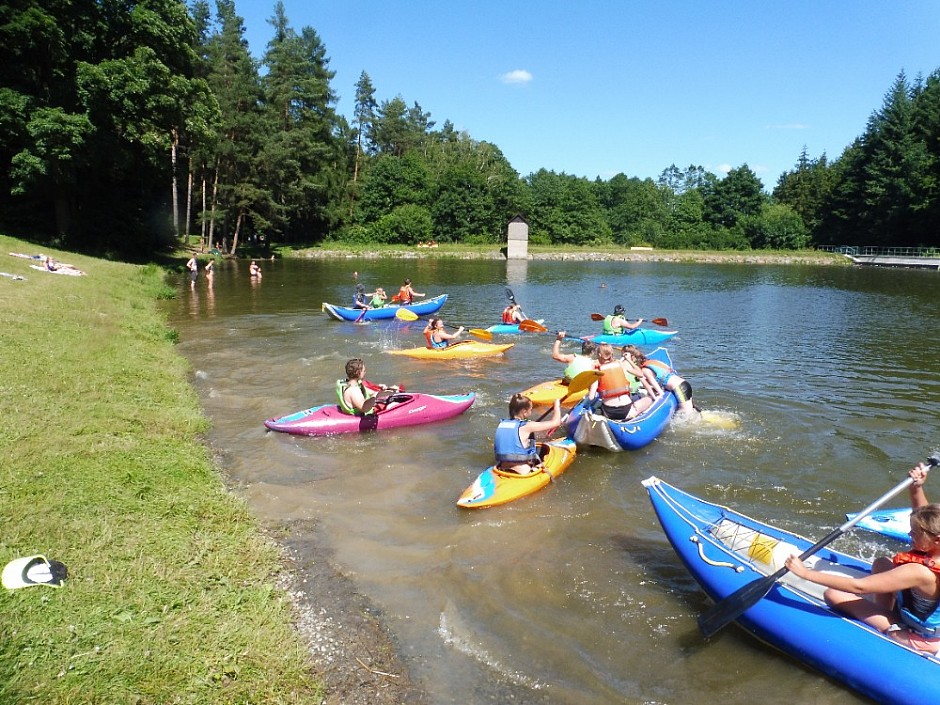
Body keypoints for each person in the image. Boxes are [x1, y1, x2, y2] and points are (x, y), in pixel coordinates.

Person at [785, 462, 940, 653]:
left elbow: (860, 586)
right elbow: (929, 520)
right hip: (924, 614)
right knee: (882, 563)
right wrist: (916, 488)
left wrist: (805, 573)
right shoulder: (934, 547)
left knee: (833, 595)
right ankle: (886, 613)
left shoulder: (918, 571)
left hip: (921, 636)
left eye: (914, 533)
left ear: (936, 541)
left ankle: (889, 626)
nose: (910, 535)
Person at [494, 394, 562, 475]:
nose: (531, 411)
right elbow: (556, 422)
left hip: (501, 468)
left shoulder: (502, 424)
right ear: (524, 412)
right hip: (522, 472)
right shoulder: (527, 426)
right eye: (530, 409)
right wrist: (556, 406)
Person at [587, 343, 654, 420]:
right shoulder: (621, 365)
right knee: (649, 399)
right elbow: (640, 374)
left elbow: (591, 397)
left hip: (609, 412)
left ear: (599, 354)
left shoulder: (596, 372)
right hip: (626, 409)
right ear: (612, 354)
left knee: (600, 404)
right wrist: (629, 360)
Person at [623, 345, 697, 414]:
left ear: (632, 358)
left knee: (684, 414)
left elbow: (658, 389)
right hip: (684, 384)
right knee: (691, 411)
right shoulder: (653, 362)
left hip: (679, 389)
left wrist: (657, 397)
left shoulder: (645, 370)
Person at [336, 358, 400, 415]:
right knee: (394, 405)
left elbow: (370, 392)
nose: (365, 372)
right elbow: (364, 408)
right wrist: (375, 396)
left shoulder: (347, 384)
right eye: (363, 371)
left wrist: (388, 389)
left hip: (358, 409)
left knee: (389, 400)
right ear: (358, 372)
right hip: (362, 415)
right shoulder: (354, 390)